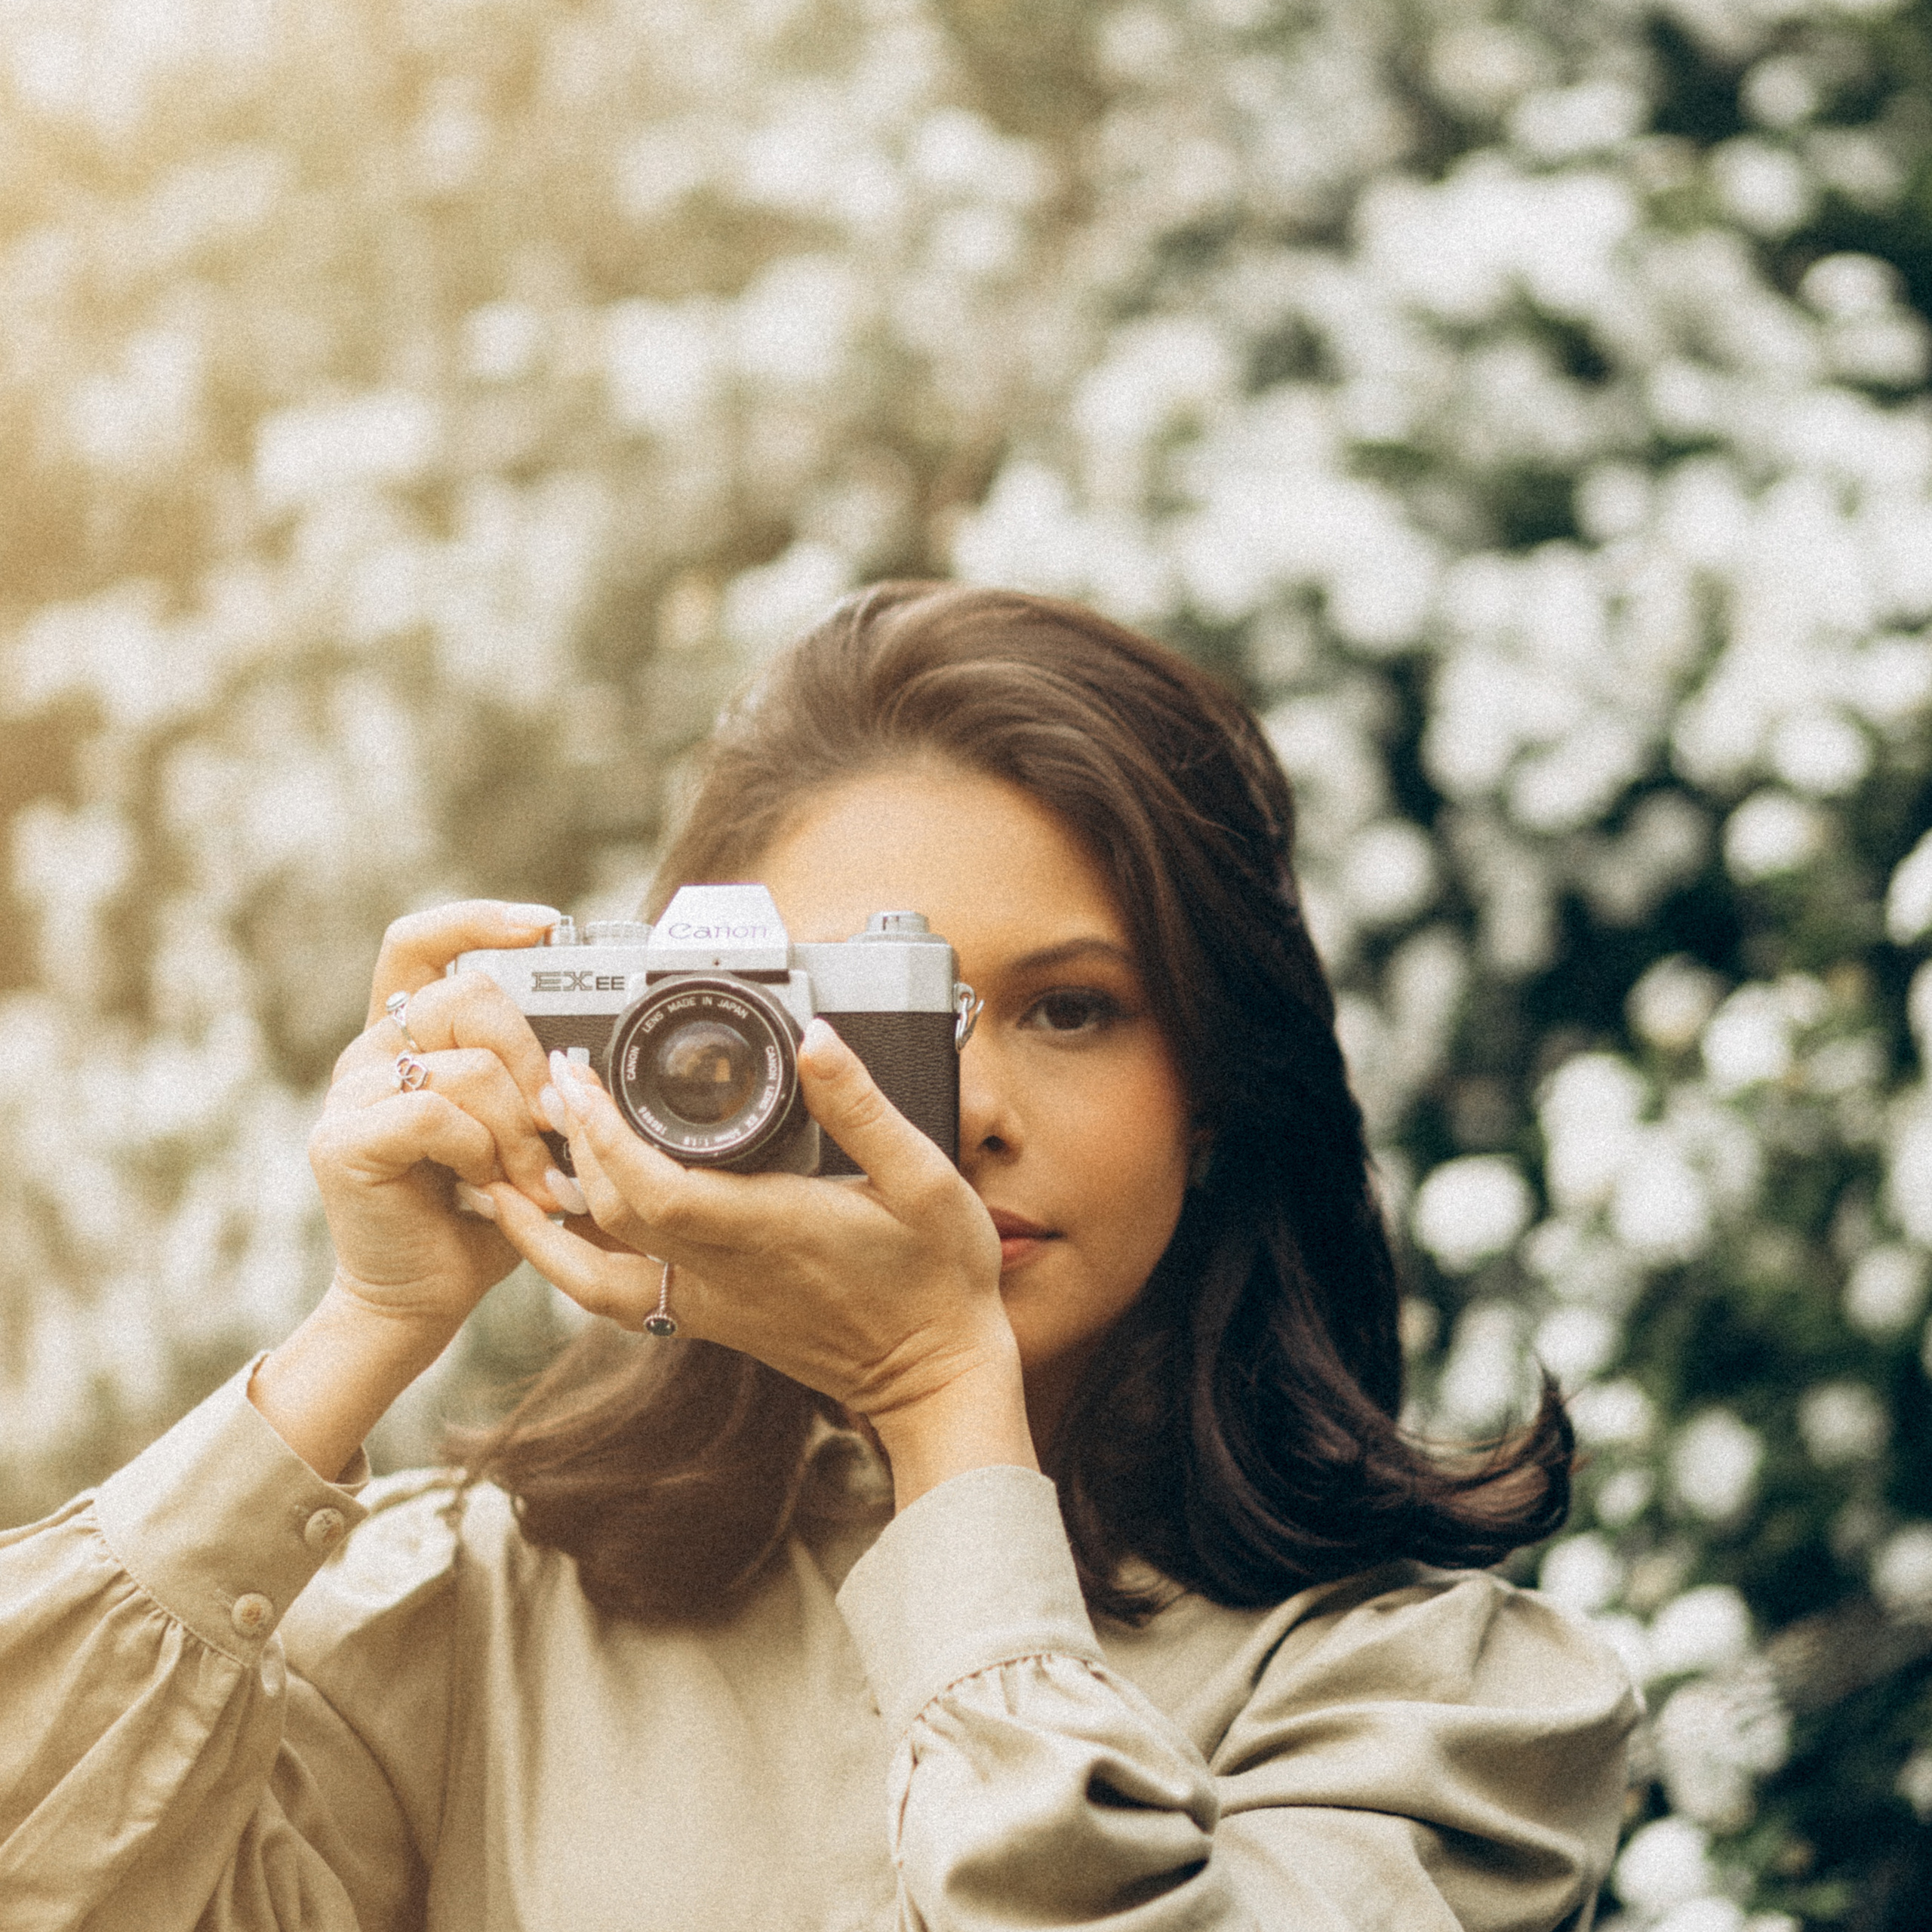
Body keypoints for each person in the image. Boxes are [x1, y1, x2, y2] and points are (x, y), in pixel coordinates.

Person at [0, 583, 1636, 1930]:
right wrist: (362, 1329)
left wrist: (939, 1400)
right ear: (675, 1054)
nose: (963, 1112)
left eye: (1069, 1007)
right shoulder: (472, 1623)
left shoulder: (1448, 1702)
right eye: (861, 1022)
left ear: (1215, 1084)